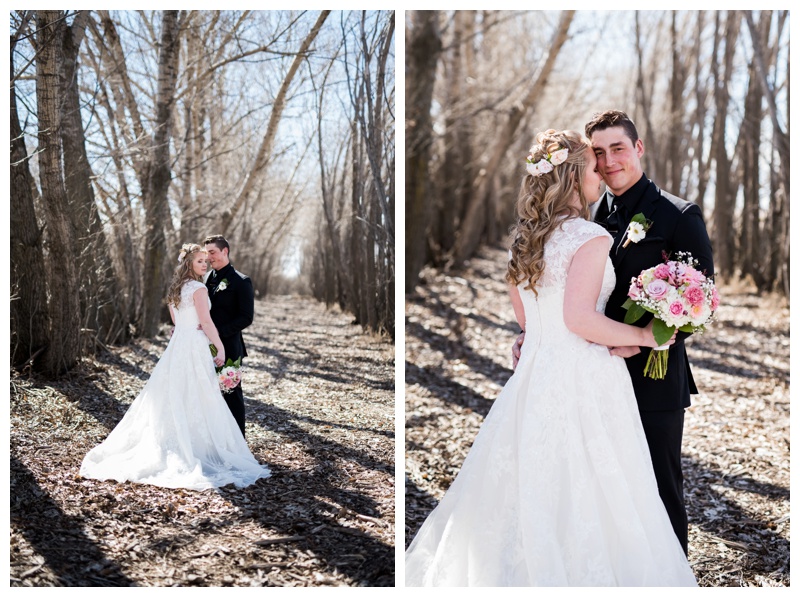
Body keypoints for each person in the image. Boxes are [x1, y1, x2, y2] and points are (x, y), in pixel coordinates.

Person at [405, 130, 696, 586]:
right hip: (586, 375)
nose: (600, 174)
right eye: (591, 168)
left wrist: (532, 337)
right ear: (574, 176)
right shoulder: (589, 236)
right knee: (597, 487)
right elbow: (579, 319)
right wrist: (642, 333)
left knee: (535, 484)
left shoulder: (524, 239)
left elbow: (527, 319)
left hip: (535, 376)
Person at [514, 110, 714, 554]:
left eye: (617, 148)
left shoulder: (679, 215)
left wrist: (646, 336)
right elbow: (555, 286)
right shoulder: (584, 216)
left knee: (658, 494)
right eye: (598, 153)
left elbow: (699, 299)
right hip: (587, 378)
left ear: (638, 148)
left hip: (652, 377)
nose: (608, 162)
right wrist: (532, 332)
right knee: (602, 499)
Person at [80, 244, 270, 490]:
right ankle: (201, 447)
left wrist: (185, 326)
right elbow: (205, 321)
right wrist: (220, 347)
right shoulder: (200, 288)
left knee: (177, 393)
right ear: (189, 263)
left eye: (206, 260)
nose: (205, 264)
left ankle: (182, 442)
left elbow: (175, 320)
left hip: (178, 344)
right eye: (200, 261)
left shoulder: (175, 289)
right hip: (195, 345)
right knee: (200, 393)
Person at [203, 235, 254, 438]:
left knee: (231, 396)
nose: (208, 258)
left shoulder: (241, 281)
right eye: (206, 254)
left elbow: (246, 317)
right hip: (203, 347)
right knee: (208, 395)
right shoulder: (206, 278)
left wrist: (217, 333)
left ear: (225, 251)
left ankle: (238, 443)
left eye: (212, 252)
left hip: (230, 348)